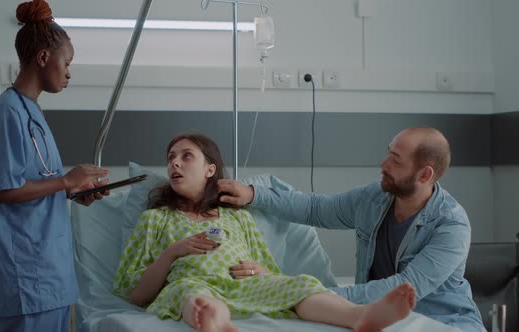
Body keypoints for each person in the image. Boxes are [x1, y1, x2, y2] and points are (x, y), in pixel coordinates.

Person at [113, 133, 416, 332]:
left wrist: (260, 270)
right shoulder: (155, 219)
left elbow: (268, 271)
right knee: (192, 293)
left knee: (300, 283)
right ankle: (215, 322)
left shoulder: (238, 219)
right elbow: (137, 294)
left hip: (242, 287)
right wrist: (173, 252)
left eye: (186, 156)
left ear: (210, 169)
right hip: (192, 284)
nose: (174, 163)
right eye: (170, 158)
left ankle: (360, 317)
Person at [218, 127, 486, 331]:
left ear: (424, 175)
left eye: (395, 159)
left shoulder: (451, 226)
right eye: (388, 153)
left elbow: (401, 290)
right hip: (385, 321)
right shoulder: (375, 198)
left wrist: (308, 293)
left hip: (444, 323)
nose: (383, 164)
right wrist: (255, 194)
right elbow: (315, 209)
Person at [0, 1, 110, 331]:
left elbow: (36, 184)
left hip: (48, 272)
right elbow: (0, 189)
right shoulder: (8, 113)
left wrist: (73, 191)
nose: (69, 72)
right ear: (44, 58)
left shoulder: (31, 113)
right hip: (26, 275)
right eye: (67, 62)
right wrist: (65, 182)